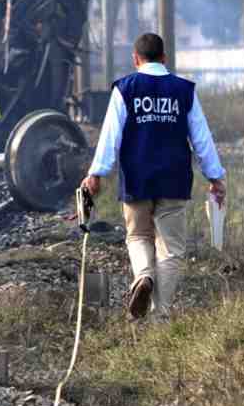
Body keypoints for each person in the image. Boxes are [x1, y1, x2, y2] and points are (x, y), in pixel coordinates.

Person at [80, 33, 226, 322]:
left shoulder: (125, 88)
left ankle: (144, 276)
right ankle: (161, 315)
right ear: (164, 58)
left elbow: (110, 136)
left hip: (137, 178)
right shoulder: (184, 90)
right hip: (173, 179)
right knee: (170, 249)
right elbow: (201, 138)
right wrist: (215, 176)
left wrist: (96, 174)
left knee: (137, 236)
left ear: (136, 59)